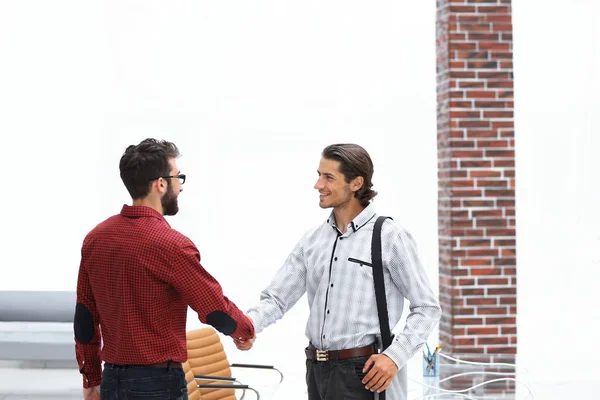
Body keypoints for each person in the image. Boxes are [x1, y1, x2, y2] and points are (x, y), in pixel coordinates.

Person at [239, 143, 441, 400]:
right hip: (316, 370)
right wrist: (248, 326)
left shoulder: (390, 237)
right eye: (319, 175)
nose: (318, 185)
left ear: (356, 183)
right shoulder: (313, 240)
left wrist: (394, 357)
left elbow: (427, 308)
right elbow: (277, 299)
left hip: (363, 371)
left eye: (328, 177)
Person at [74, 138, 255, 400]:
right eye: (177, 177)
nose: (180, 186)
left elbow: (85, 318)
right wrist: (245, 331)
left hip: (112, 379)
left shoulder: (95, 239)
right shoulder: (171, 245)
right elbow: (213, 307)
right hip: (158, 385)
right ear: (160, 184)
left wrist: (91, 377)